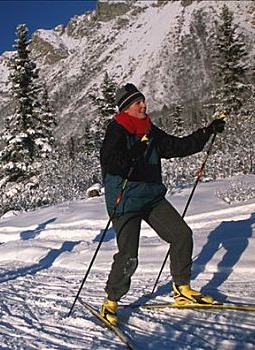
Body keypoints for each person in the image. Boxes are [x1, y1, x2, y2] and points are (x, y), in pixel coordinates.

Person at [99, 83, 225, 325]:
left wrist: (207, 132)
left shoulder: (150, 130)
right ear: (126, 108)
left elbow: (178, 146)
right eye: (138, 103)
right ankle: (111, 302)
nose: (144, 105)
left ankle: (182, 289)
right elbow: (110, 162)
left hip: (151, 197)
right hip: (124, 202)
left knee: (182, 235)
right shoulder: (117, 130)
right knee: (128, 256)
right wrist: (131, 154)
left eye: (143, 101)